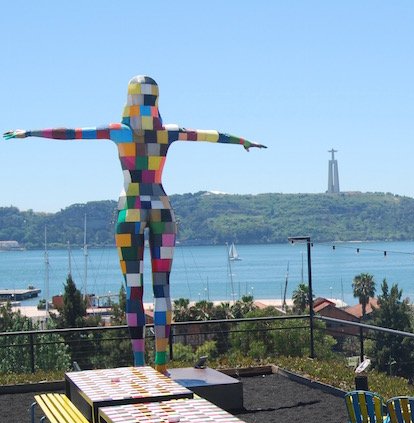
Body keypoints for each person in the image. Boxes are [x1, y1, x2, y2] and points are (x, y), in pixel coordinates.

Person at [4, 75, 265, 373]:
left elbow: (72, 133)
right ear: (156, 100)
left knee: (134, 290)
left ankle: (140, 362)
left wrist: (29, 133)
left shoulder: (119, 131)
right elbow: (210, 136)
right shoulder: (168, 133)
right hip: (161, 208)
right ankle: (161, 362)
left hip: (131, 209)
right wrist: (243, 141)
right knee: (162, 289)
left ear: (130, 99)